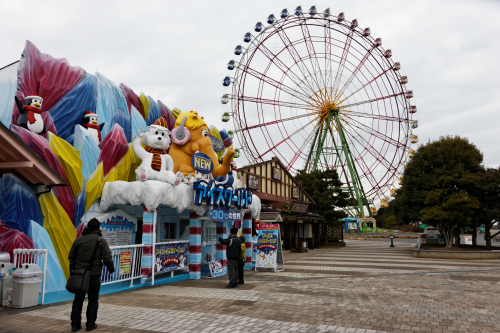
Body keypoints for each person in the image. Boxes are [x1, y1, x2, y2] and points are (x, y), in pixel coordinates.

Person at [68, 218, 114, 332]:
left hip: (79, 275)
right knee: (93, 300)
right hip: (94, 275)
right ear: (98, 228)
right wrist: (111, 270)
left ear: (87, 227)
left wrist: (73, 271)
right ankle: (90, 325)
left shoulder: (78, 240)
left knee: (78, 300)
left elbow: (71, 258)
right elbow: (107, 258)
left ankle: (75, 325)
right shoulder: (101, 241)